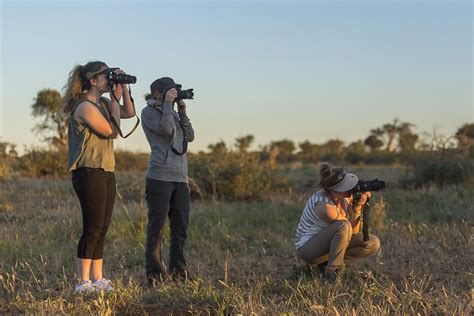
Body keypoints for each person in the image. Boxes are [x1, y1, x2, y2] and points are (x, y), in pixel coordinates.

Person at [61, 61, 136, 293]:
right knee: (92, 228)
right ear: (93, 81)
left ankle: (98, 279)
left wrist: (123, 92)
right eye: (106, 77)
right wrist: (114, 99)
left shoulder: (103, 102)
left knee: (102, 228)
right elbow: (112, 132)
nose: (109, 81)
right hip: (88, 171)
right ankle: (82, 282)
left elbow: (130, 113)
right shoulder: (84, 107)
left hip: (106, 170)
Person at [141, 77, 195, 285]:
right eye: (168, 92)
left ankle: (178, 270)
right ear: (157, 93)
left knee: (180, 226)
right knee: (157, 228)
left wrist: (181, 112)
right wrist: (167, 106)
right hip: (159, 177)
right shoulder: (148, 113)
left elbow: (189, 136)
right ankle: (154, 274)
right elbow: (165, 130)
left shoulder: (171, 111)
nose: (171, 95)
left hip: (181, 178)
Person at [295, 162, 381, 282]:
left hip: (329, 242)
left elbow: (351, 234)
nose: (351, 189)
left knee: (372, 243)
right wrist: (353, 209)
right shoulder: (324, 206)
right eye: (346, 187)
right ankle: (332, 273)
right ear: (333, 190)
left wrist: (356, 209)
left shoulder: (343, 197)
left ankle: (328, 263)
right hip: (308, 248)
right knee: (343, 226)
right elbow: (345, 229)